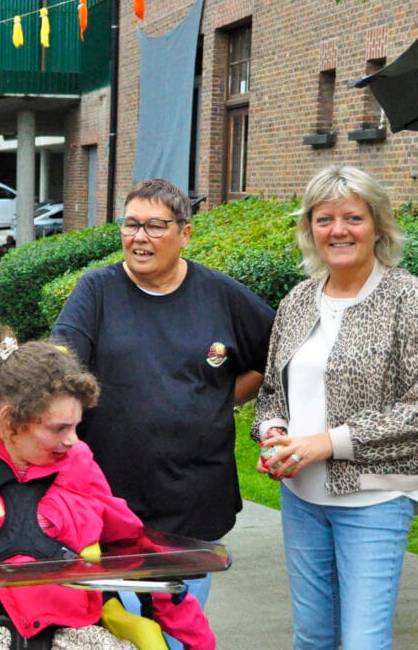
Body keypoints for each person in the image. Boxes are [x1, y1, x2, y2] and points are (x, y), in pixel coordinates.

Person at [0, 329, 215, 650]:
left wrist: (198, 640)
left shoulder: (77, 461)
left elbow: (131, 545)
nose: (72, 440)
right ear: (9, 421)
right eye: (58, 429)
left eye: (76, 426)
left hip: (75, 627)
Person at [251, 165, 418, 650]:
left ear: (378, 226)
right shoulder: (298, 300)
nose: (338, 230)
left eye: (353, 218)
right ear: (310, 229)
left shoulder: (415, 302)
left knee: (363, 641)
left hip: (374, 500)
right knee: (313, 637)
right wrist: (273, 431)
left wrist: (327, 443)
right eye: (324, 219)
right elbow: (273, 391)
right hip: (301, 498)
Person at [50, 178, 275, 613]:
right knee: (122, 626)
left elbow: (277, 354)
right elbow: (61, 367)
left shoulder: (220, 295)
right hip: (109, 501)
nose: (140, 237)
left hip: (193, 502)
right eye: (130, 224)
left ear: (185, 233)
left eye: (155, 226)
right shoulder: (96, 291)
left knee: (179, 629)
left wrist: (222, 398)